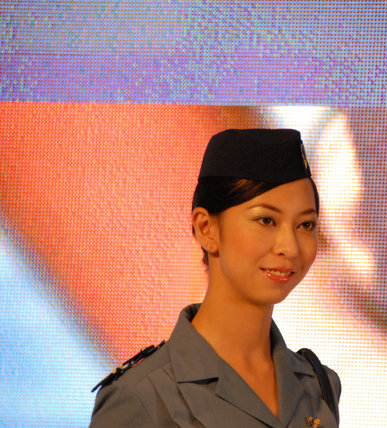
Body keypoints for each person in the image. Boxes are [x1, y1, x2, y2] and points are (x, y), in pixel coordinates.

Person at [90, 129, 341, 428]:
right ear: (206, 228)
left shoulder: (318, 385)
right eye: (266, 220)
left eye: (306, 224)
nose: (290, 247)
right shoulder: (142, 397)